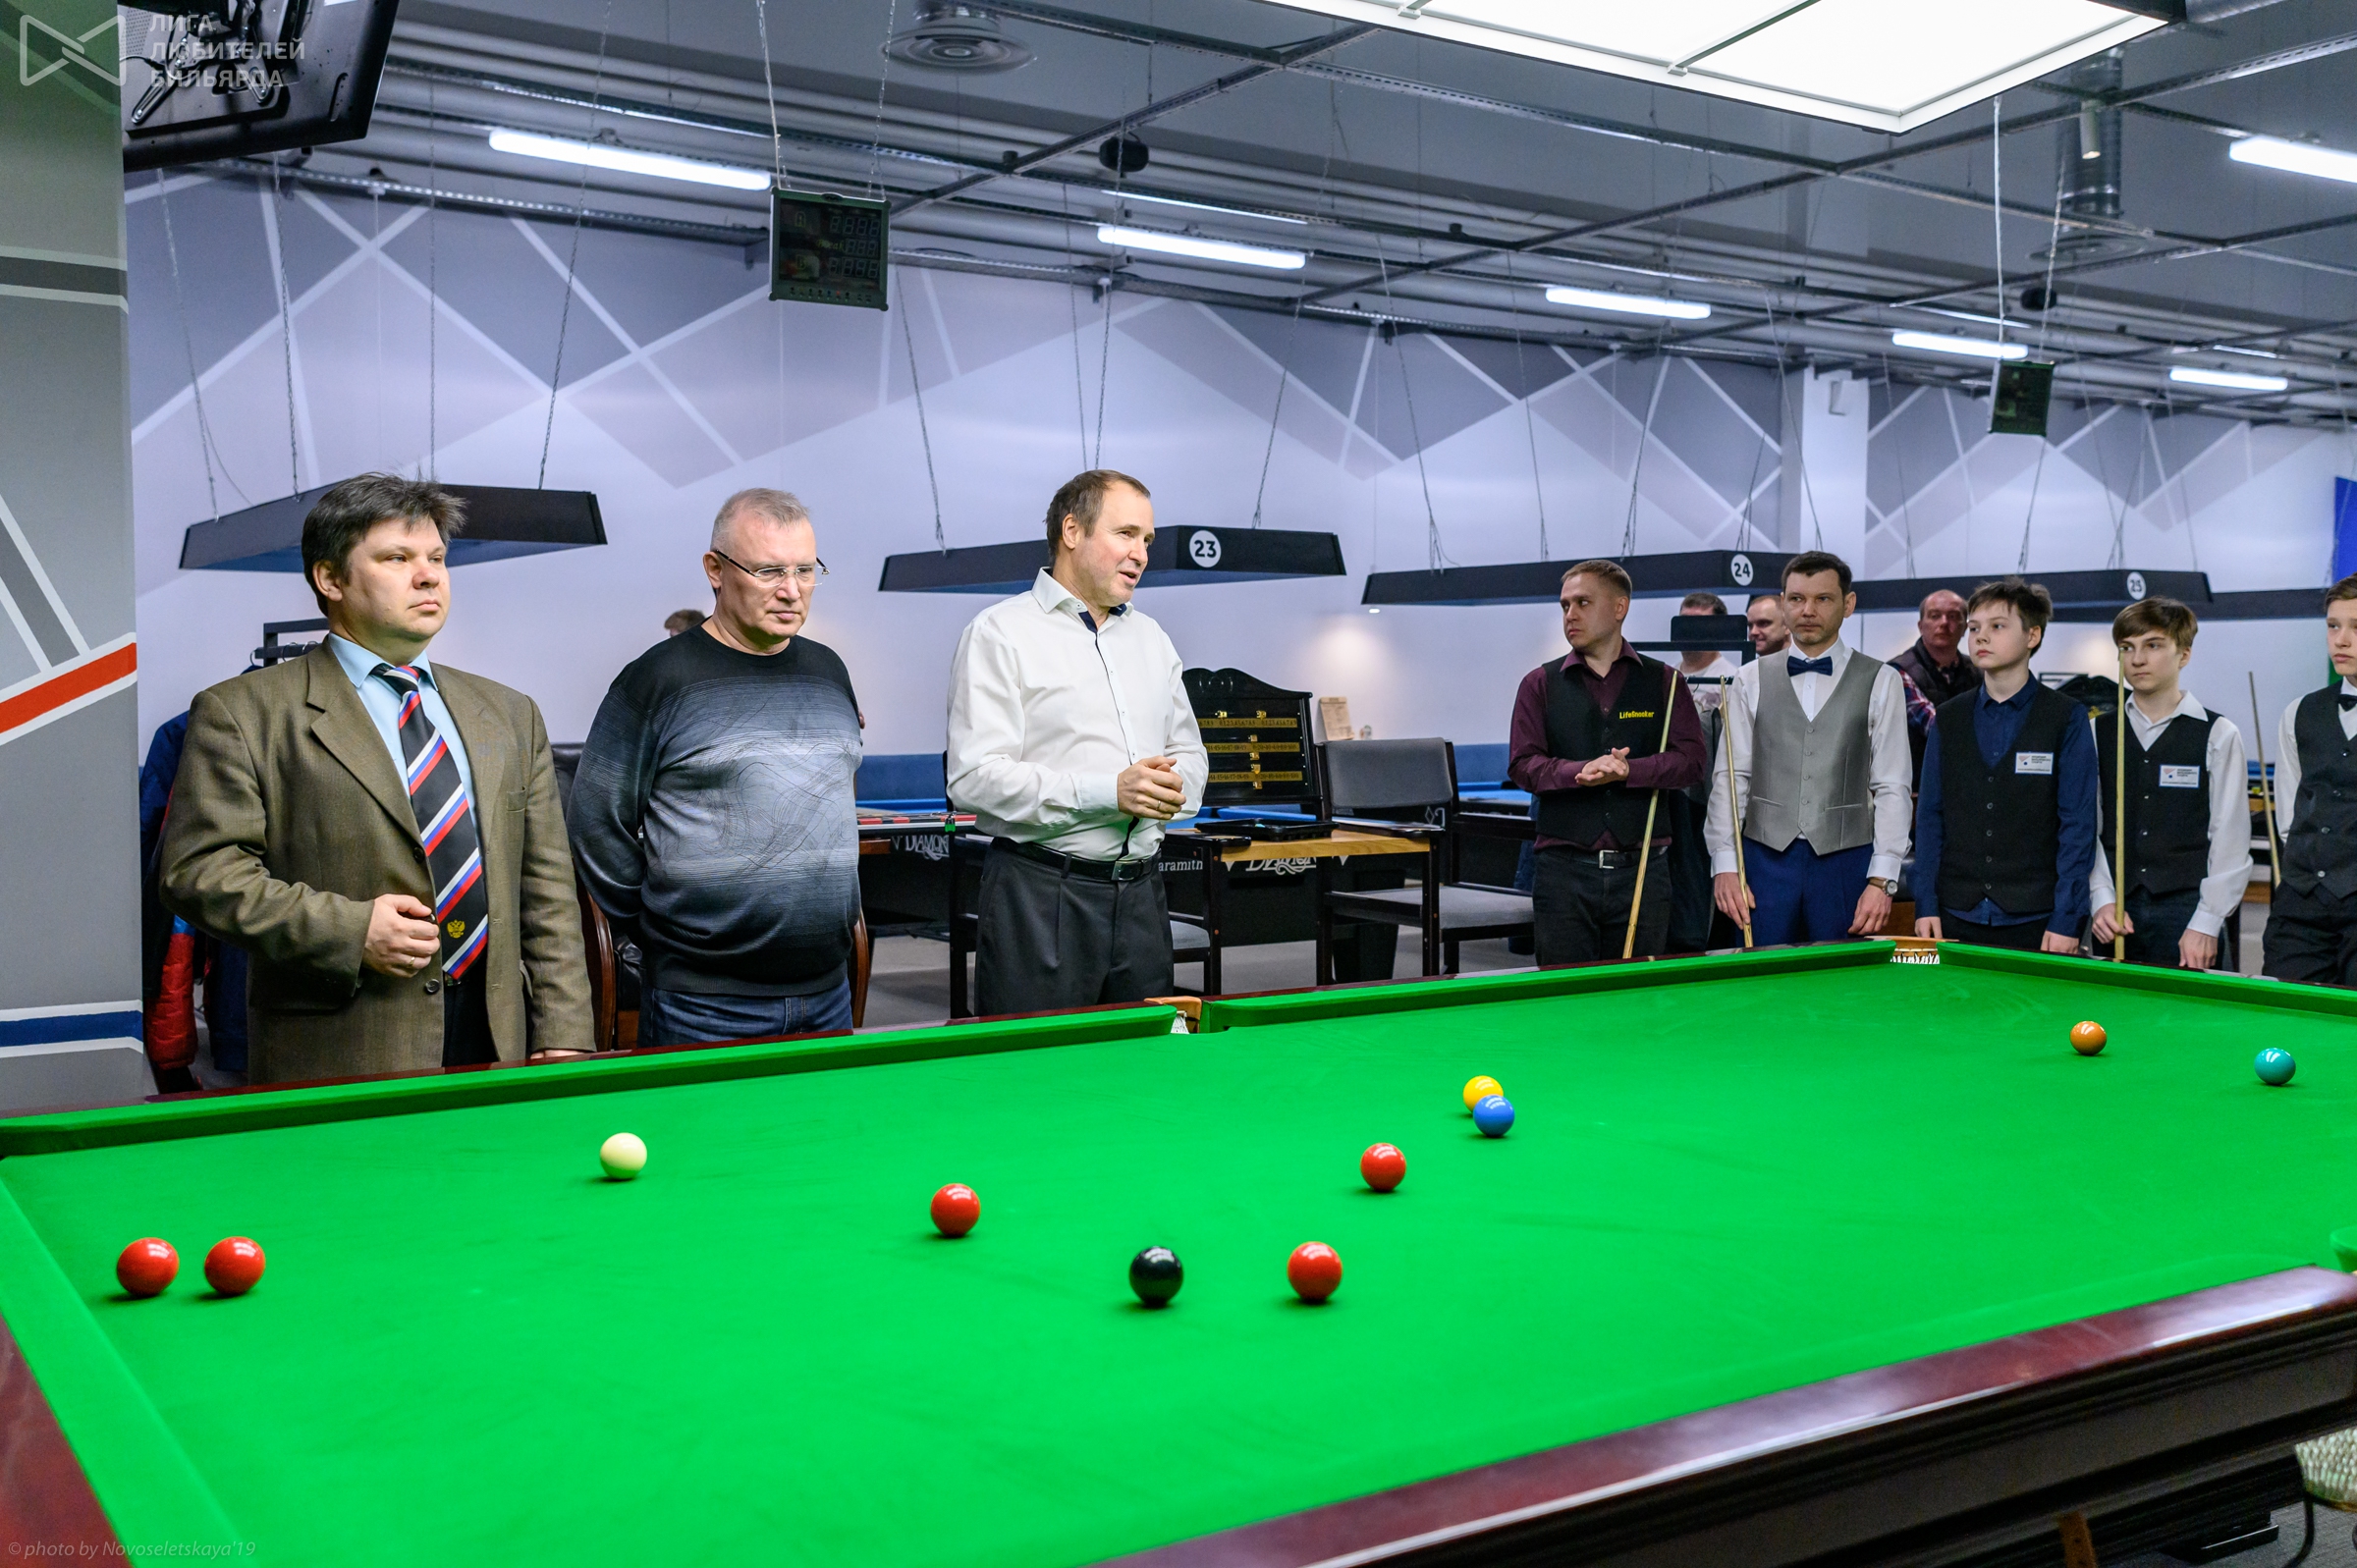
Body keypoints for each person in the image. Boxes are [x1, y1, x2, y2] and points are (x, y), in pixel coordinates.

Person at [159, 474, 589, 1084]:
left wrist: (565, 1036)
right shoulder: (243, 712)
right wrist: (350, 931)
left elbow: (547, 891)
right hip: (343, 1046)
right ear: (329, 579)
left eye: (437, 558)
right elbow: (198, 874)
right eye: (397, 558)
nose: (429, 577)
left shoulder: (510, 713)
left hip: (498, 1037)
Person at [573, 490, 863, 1047]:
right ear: (715, 570)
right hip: (701, 1003)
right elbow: (594, 825)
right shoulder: (657, 679)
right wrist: (664, 932)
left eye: (805, 570)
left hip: (829, 991)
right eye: (768, 571)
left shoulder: (830, 671)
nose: (791, 590)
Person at [946, 469, 1208, 1015]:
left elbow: (1190, 754)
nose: (1140, 554)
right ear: (1072, 531)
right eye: (1126, 534)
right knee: (1037, 1065)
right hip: (1040, 897)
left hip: (1143, 897)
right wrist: (1110, 793)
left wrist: (1171, 788)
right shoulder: (999, 632)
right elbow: (973, 779)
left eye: (1147, 540)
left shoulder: (1152, 638)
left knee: (1147, 1060)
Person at [1706, 552, 1912, 946]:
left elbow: (1892, 785)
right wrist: (1725, 864)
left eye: (1823, 599)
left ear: (1848, 604)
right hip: (1763, 861)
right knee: (1761, 975)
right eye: (1797, 599)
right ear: (1784, 603)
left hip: (1846, 862)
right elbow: (1731, 779)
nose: (1808, 610)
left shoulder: (1882, 679)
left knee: (1841, 979)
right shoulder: (1747, 679)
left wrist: (1882, 879)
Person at [1507, 561, 1708, 964]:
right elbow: (1522, 764)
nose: (1570, 614)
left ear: (1620, 608)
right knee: (1565, 993)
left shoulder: (1666, 682)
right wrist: (1576, 772)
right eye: (1565, 605)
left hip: (1644, 873)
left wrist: (1632, 771)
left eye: (1582, 602)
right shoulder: (1539, 683)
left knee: (1636, 995)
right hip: (1563, 874)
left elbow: (1691, 762)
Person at [1912, 577, 2097, 953]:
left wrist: (2068, 916)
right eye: (1974, 628)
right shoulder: (1949, 717)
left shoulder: (2066, 717)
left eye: (1997, 626)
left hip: (2037, 918)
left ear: (2032, 635)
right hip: (1954, 913)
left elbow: (2077, 826)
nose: (1980, 637)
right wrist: (1925, 902)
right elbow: (1930, 817)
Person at [2086, 598, 2251, 971]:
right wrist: (2101, 898)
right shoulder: (2098, 732)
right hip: (2116, 910)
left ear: (2184, 654)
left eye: (2153, 645)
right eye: (2127, 648)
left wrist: (2207, 922)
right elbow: (2087, 827)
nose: (2137, 659)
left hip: (2189, 911)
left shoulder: (2218, 733)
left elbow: (2230, 837)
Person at [2263, 577, 2357, 987]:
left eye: (2356, 627)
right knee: (2282, 1014)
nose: (2341, 640)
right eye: (2333, 626)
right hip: (2301, 907)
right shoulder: (2298, 712)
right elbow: (2289, 816)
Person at [1891, 588, 1980, 786]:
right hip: (1917, 789)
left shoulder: (1979, 671)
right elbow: (1935, 728)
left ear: (1965, 627)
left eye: (1953, 616)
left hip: (1969, 786)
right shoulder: (1898, 671)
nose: (1944, 623)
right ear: (1920, 626)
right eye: (1934, 616)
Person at [1675, 591, 1740, 715]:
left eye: (1698, 622)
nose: (1689, 628)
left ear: (1719, 630)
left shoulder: (1733, 680)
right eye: (1684, 621)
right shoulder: (1667, 677)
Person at [1744, 592, 1790, 658]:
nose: (1753, 632)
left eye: (1763, 623)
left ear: (1787, 626)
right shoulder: (1748, 665)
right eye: (1750, 626)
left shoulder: (1803, 663)